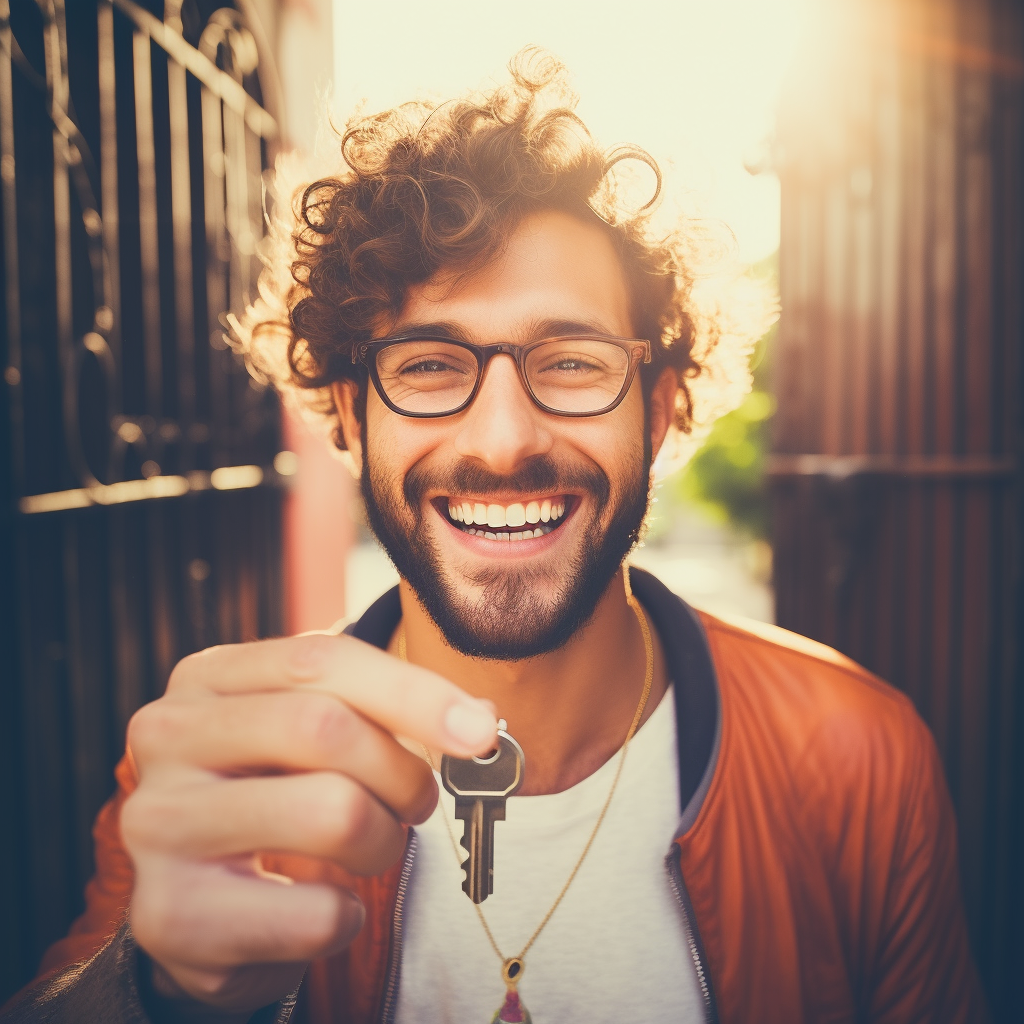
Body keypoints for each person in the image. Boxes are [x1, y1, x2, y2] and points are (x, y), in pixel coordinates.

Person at [4, 51, 984, 1024]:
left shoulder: (862, 756)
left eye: (569, 360)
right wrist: (154, 990)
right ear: (347, 412)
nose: (504, 440)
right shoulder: (222, 773)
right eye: (429, 365)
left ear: (664, 400)